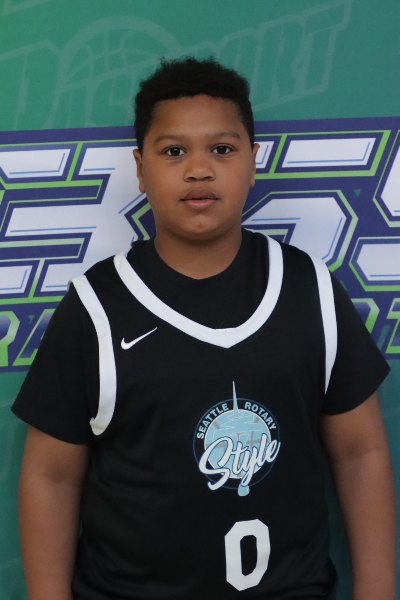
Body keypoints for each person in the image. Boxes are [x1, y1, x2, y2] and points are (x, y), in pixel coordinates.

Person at [13, 57, 395, 600]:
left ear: (253, 161)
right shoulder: (96, 305)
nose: (198, 169)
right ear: (140, 169)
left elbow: (360, 453)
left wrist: (376, 590)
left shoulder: (309, 289)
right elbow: (51, 475)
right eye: (174, 151)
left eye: (222, 149)